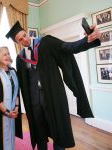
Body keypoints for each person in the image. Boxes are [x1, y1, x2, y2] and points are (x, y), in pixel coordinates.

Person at [6, 21, 101, 150]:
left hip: (53, 97)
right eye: (20, 39)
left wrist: (87, 40)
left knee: (58, 128)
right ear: (17, 43)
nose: (25, 39)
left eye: (24, 35)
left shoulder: (46, 43)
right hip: (34, 102)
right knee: (39, 129)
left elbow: (68, 47)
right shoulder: (20, 58)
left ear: (27, 32)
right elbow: (21, 82)